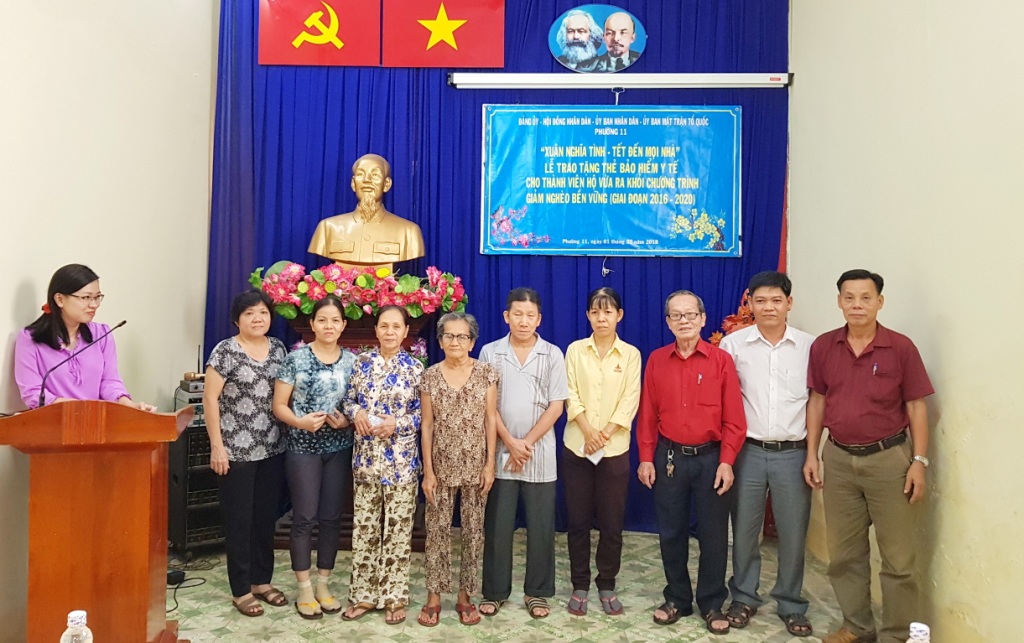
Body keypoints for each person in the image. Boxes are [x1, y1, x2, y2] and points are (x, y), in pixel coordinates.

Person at [803, 270, 933, 643]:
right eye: (849, 297)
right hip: (839, 459)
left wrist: (918, 462)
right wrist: (812, 454)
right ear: (839, 302)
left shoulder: (901, 348)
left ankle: (898, 635)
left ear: (880, 302)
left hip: (889, 461)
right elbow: (818, 400)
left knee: (899, 559)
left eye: (865, 297)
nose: (857, 305)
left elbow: (916, 406)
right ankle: (857, 626)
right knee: (845, 555)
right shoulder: (824, 346)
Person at [636, 289, 745, 635]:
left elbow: (735, 418)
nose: (684, 321)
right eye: (676, 315)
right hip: (669, 458)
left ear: (702, 319)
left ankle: (712, 602)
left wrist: (727, 461)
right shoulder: (657, 360)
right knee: (671, 532)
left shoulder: (721, 361)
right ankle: (677, 598)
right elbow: (647, 414)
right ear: (668, 322)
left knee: (713, 535)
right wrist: (645, 458)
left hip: (712, 459)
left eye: (690, 314)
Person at [718, 272, 815, 637]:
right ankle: (744, 597)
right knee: (745, 530)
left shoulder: (809, 347)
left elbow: (817, 402)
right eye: (760, 301)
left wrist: (813, 454)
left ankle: (790, 603)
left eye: (776, 300)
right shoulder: (733, 345)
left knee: (793, 532)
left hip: (794, 452)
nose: (769, 307)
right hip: (749, 452)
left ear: (789, 303)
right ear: (750, 304)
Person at [478, 287, 569, 620]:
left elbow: (557, 405)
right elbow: (486, 405)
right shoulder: (490, 352)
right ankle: (494, 592)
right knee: (498, 526)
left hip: (539, 454)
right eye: (517, 314)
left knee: (541, 527)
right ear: (506, 316)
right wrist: (511, 442)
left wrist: (526, 442)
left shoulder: (552, 354)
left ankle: (537, 592)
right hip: (501, 452)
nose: (523, 321)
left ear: (539, 319)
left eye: (530, 315)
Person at [204, 290, 289, 617]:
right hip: (235, 451)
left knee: (265, 519)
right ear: (237, 319)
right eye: (250, 313)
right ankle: (241, 590)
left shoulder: (278, 349)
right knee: (239, 521)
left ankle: (261, 582)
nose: (257, 318)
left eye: (263, 313)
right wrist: (217, 445)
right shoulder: (225, 351)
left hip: (272, 447)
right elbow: (210, 399)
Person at [272, 295, 357, 620]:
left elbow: (356, 405)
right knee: (305, 517)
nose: (328, 326)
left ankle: (323, 583)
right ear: (312, 324)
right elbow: (279, 406)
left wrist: (347, 421)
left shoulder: (352, 361)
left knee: (331, 517)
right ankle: (304, 588)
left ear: (343, 325)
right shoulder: (295, 359)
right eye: (322, 320)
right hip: (302, 448)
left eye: (335, 320)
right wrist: (300, 422)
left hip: (338, 448)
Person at [342, 305, 424, 625]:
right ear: (376, 330)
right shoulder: (361, 363)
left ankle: (394, 596)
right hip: (366, 460)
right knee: (365, 527)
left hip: (401, 463)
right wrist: (357, 413)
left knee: (398, 530)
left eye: (396, 326)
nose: (390, 332)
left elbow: (423, 414)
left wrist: (397, 424)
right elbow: (348, 401)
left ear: (406, 332)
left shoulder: (416, 368)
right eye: (384, 326)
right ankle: (364, 594)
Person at [562, 287, 641, 617]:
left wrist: (604, 434)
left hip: (614, 449)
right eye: (595, 312)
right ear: (588, 315)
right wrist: (588, 430)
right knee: (578, 521)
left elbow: (630, 399)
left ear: (619, 315)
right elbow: (569, 392)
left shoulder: (631, 355)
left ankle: (606, 582)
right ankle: (579, 583)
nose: (601, 318)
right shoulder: (575, 350)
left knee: (611, 522)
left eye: (608, 312)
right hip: (577, 446)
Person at [417, 312, 499, 627]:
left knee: (473, 533)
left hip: (476, 466)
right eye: (449, 336)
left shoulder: (487, 373)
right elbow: (427, 425)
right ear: (440, 341)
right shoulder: (429, 376)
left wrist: (490, 464)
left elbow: (491, 420)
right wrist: (428, 471)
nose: (455, 341)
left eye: (462, 336)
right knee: (436, 532)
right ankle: (434, 596)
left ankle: (466, 596)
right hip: (440, 466)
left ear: (472, 341)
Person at [14, 263, 155, 411]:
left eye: (97, 297)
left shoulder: (102, 334)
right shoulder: (30, 339)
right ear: (60, 299)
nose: (94, 305)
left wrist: (131, 406)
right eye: (86, 297)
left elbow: (109, 383)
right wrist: (80, 408)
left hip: (95, 420)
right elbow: (33, 393)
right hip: (55, 421)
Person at [307, 154, 425, 269]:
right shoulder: (327, 228)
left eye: (375, 175)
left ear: (386, 184)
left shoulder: (408, 232)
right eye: (360, 174)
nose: (367, 180)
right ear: (353, 184)